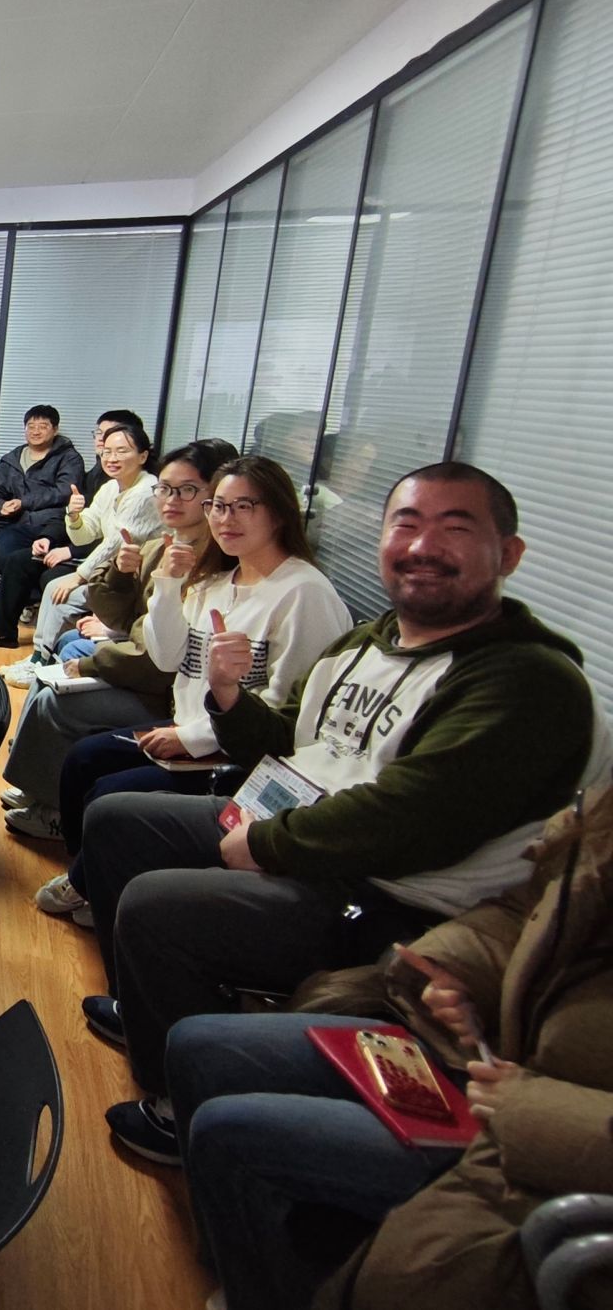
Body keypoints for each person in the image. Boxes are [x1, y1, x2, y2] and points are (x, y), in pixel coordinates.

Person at [78, 462, 599, 1166]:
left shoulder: (526, 679)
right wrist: (228, 698)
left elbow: (406, 818)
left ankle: (179, 1102)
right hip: (300, 826)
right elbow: (290, 740)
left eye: (455, 528)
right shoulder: (370, 643)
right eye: (406, 525)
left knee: (156, 905)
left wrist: (267, 843)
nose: (423, 545)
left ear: (508, 554)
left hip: (384, 897)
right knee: (119, 820)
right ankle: (152, 1017)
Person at [169, 777, 613, 1310]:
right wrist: (463, 968)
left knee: (230, 1134)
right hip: (492, 1059)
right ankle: (243, 1271)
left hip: (541, 1158)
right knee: (201, 1048)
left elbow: (407, 811)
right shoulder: (603, 811)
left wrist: (529, 1107)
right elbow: (528, 912)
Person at [16, 456, 351, 904]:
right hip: (187, 727)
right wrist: (169, 584)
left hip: (236, 752)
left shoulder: (304, 593)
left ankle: (94, 884)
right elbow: (167, 655)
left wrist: (191, 738)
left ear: (278, 513)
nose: (225, 519)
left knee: (109, 790)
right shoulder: (218, 577)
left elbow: (288, 714)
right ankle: (92, 878)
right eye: (219, 506)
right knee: (84, 760)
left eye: (243, 506)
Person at [0, 439, 235, 885]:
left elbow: (158, 659)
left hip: (166, 695)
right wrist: (122, 576)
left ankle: (55, 810)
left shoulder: (212, 565)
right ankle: (40, 793)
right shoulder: (164, 545)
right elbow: (121, 617)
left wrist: (94, 664)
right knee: (54, 675)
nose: (171, 500)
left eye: (187, 490)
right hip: (154, 678)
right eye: (165, 489)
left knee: (60, 699)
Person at [20, 421, 161, 673]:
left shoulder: (146, 492)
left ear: (143, 456)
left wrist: (79, 576)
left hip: (137, 581)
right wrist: (73, 515)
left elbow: (115, 542)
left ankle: (44, 660)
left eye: (121, 451)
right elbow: (84, 536)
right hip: (113, 574)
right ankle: (40, 657)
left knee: (61, 592)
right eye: (107, 451)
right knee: (54, 587)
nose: (112, 458)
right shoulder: (111, 487)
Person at [0, 404, 86, 645]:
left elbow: (64, 491)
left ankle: (7, 624)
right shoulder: (12, 459)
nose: (36, 431)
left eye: (43, 426)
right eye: (31, 426)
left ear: (55, 429)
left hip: (55, 524)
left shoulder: (69, 458)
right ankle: (29, 599)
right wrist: (0, 506)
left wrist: (23, 501)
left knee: (21, 562)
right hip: (20, 524)